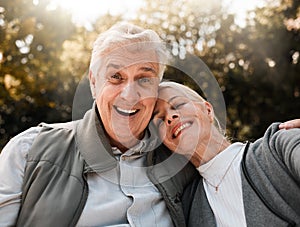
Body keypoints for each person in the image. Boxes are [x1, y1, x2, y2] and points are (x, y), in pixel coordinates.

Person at [0, 23, 197, 226]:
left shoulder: (183, 161)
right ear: (94, 83)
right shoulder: (28, 151)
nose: (129, 95)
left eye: (144, 79)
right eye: (115, 77)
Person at [152, 81, 300, 226]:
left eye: (178, 105)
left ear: (208, 110)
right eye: (159, 121)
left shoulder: (277, 147)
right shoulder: (188, 208)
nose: (169, 117)